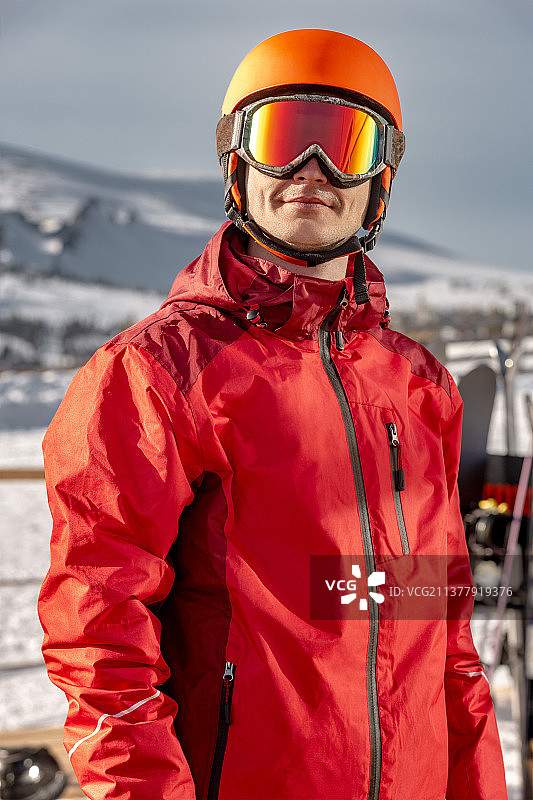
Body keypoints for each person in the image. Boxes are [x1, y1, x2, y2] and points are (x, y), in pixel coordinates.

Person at [38, 29, 508, 800]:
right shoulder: (157, 372)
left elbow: (444, 638)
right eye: (284, 137)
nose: (311, 170)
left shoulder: (419, 386)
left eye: (344, 145)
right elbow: (99, 636)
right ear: (237, 162)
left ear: (380, 179)